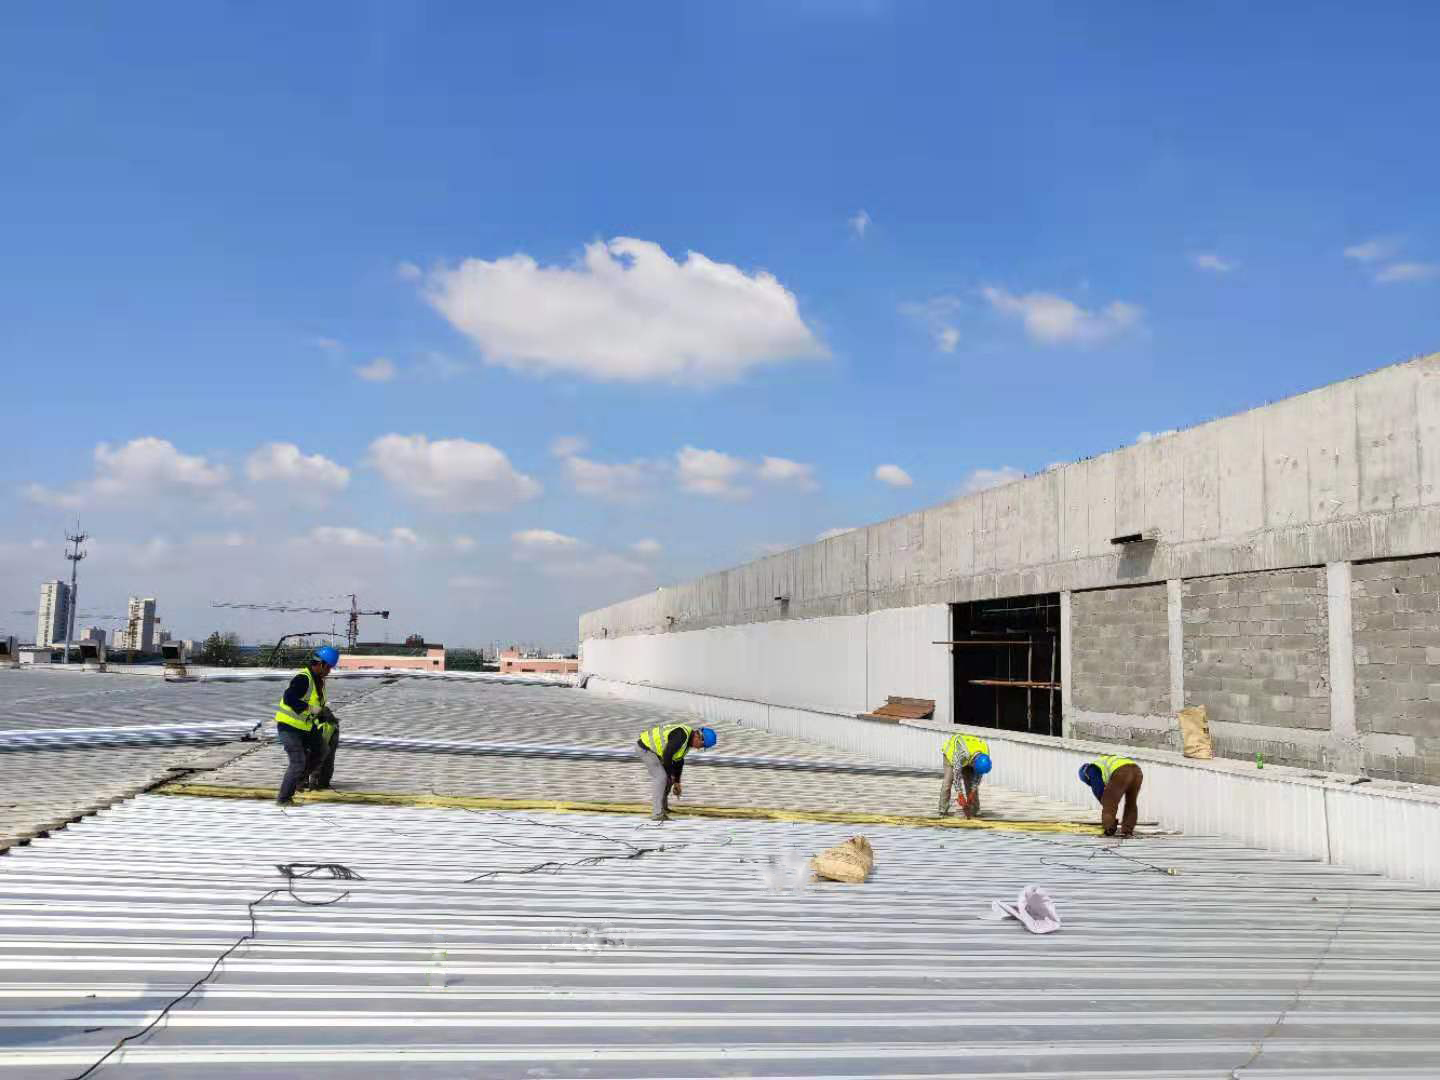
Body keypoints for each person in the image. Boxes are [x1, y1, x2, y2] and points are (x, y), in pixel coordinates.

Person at [273, 645, 340, 806]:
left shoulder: (318, 682)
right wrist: (313, 710)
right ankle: (283, 799)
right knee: (298, 762)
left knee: (322, 750)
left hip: (306, 727)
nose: (329, 671)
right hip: (289, 727)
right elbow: (289, 698)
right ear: (321, 664)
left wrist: (324, 714)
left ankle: (298, 780)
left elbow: (316, 705)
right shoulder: (303, 679)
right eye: (329, 668)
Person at [635, 723, 716, 821]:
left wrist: (677, 782)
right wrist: (669, 777)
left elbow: (678, 760)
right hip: (645, 748)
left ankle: (663, 808)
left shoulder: (687, 742)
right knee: (661, 778)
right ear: (698, 736)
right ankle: (657, 814)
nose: (699, 748)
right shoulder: (681, 736)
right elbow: (667, 755)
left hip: (657, 752)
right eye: (702, 745)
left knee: (668, 778)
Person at [1079, 754, 1143, 837]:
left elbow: (1099, 790)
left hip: (1122, 771)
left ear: (1086, 777)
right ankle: (1127, 832)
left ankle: (1109, 831)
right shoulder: (1103, 763)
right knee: (1131, 803)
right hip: (1137, 771)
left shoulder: (1090, 769)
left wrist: (1107, 804)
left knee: (1108, 803)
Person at [939, 732, 992, 818]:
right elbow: (957, 777)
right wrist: (960, 795)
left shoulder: (985, 755)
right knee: (948, 781)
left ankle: (975, 810)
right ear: (974, 764)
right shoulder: (961, 753)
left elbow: (978, 776)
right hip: (952, 755)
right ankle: (942, 810)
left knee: (971, 783)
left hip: (968, 757)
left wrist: (972, 792)